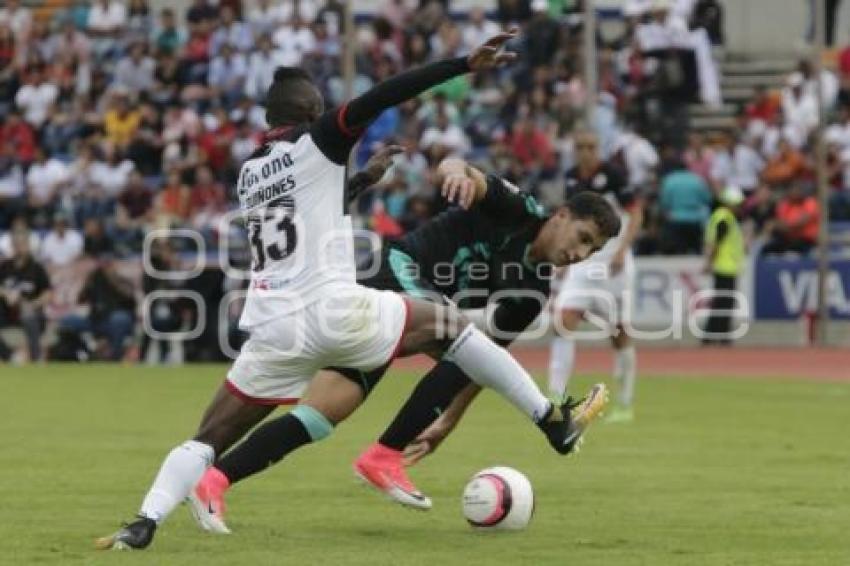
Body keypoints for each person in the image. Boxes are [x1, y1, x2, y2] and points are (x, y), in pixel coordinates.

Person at [96, 32, 604, 551]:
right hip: (333, 310)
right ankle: (550, 418)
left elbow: (310, 204)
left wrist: (363, 180)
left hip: (273, 329)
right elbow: (387, 92)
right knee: (454, 328)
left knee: (206, 438)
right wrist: (462, 65)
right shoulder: (323, 137)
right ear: (315, 110)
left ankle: (144, 521)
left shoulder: (250, 172)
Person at [187, 156, 620, 526]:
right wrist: (454, 171)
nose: (580, 255)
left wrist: (448, 421)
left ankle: (214, 482)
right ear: (561, 215)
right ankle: (545, 421)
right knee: (453, 331)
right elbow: (462, 169)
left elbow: (487, 360)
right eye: (583, 238)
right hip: (395, 273)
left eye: (592, 251)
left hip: (404, 319)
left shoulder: (533, 294)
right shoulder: (519, 210)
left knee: (320, 418)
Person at [549, 130, 644, 424]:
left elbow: (636, 212)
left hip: (613, 265)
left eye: (590, 147)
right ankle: (554, 397)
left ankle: (625, 402)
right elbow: (569, 222)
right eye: (580, 147)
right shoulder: (571, 178)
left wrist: (622, 250)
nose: (585, 152)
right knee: (563, 323)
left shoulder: (613, 175)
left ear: (598, 148)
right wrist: (563, 259)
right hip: (582, 263)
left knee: (619, 334)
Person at [702, 185, 745, 346]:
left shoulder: (721, 216)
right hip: (725, 266)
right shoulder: (725, 218)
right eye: (737, 204)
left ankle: (715, 335)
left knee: (722, 302)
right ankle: (720, 336)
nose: (739, 207)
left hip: (726, 266)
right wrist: (709, 262)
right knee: (724, 303)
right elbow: (717, 243)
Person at [0, 230, 51, 362]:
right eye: (16, 244)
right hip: (8, 311)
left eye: (22, 244)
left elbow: (48, 293)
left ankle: (36, 357)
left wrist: (33, 304)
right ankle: (9, 356)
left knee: (28, 315)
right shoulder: (5, 266)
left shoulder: (36, 268)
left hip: (31, 311)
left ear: (28, 246)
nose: (19, 247)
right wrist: (6, 293)